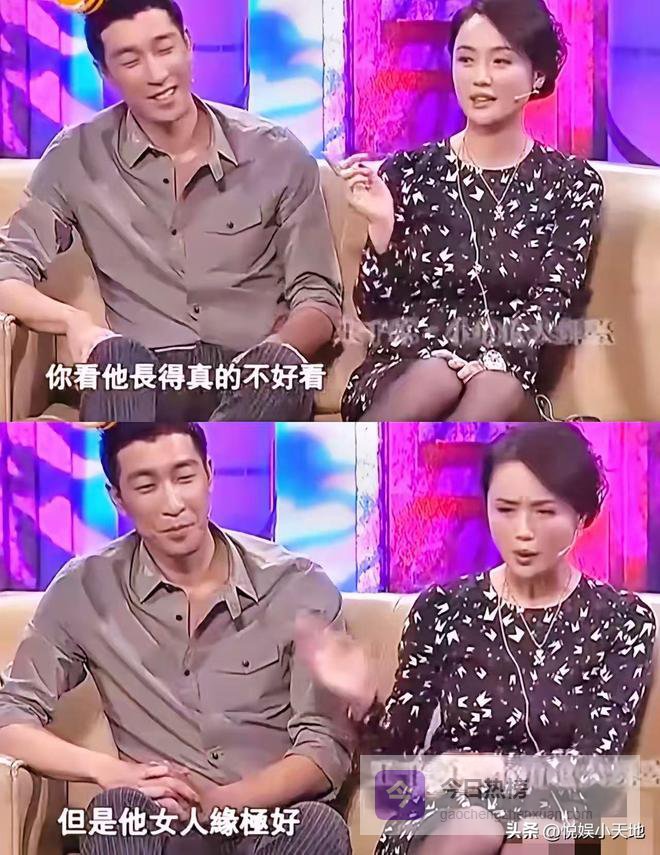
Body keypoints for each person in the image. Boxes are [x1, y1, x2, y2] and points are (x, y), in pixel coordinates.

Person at [297, 423, 657, 854]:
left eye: (544, 512)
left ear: (582, 516)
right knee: (478, 825)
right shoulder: (443, 609)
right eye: (505, 509)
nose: (523, 531)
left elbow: (593, 774)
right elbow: (393, 783)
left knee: (539, 832)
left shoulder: (621, 620)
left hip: (553, 817)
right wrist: (365, 704)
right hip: (445, 814)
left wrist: (483, 769)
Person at [0, 422, 353, 854]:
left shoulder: (296, 584)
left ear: (209, 473)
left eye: (184, 477)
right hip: (162, 826)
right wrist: (108, 771)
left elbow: (324, 747)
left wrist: (221, 803)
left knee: (318, 824)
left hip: (269, 819)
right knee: (116, 812)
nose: (173, 504)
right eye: (146, 486)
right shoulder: (85, 588)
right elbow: (9, 717)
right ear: (118, 497)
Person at [0, 0, 342, 422]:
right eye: (131, 61)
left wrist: (277, 349)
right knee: (116, 362)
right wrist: (73, 322)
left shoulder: (276, 152)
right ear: (105, 72)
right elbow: (7, 270)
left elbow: (319, 296)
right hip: (144, 371)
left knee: (281, 371)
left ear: (188, 44)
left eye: (165, 49)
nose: (157, 74)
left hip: (252, 367)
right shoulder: (76, 156)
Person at [338, 0, 604, 422]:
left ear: (537, 75)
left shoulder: (570, 183)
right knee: (436, 377)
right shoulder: (408, 173)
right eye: (466, 59)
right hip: (405, 370)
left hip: (505, 375)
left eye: (501, 61)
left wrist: (492, 360)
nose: (480, 77)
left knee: (495, 386)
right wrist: (382, 227)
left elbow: (551, 301)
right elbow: (376, 315)